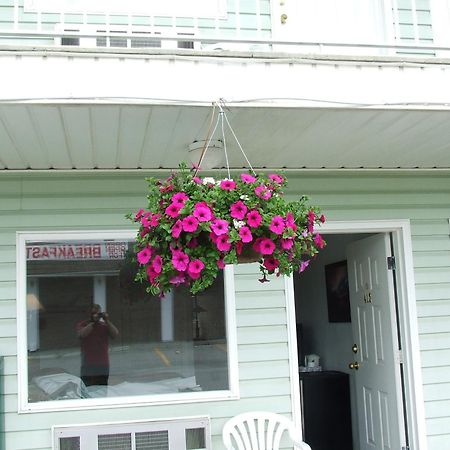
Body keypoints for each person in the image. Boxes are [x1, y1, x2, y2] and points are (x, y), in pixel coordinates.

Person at [76, 304, 119, 386]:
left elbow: (115, 334)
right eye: (94, 313)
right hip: (88, 364)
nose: (96, 315)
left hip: (102, 365)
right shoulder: (83, 324)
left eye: (98, 313)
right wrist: (93, 322)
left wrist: (107, 320)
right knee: (86, 389)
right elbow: (82, 334)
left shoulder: (104, 326)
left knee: (102, 389)